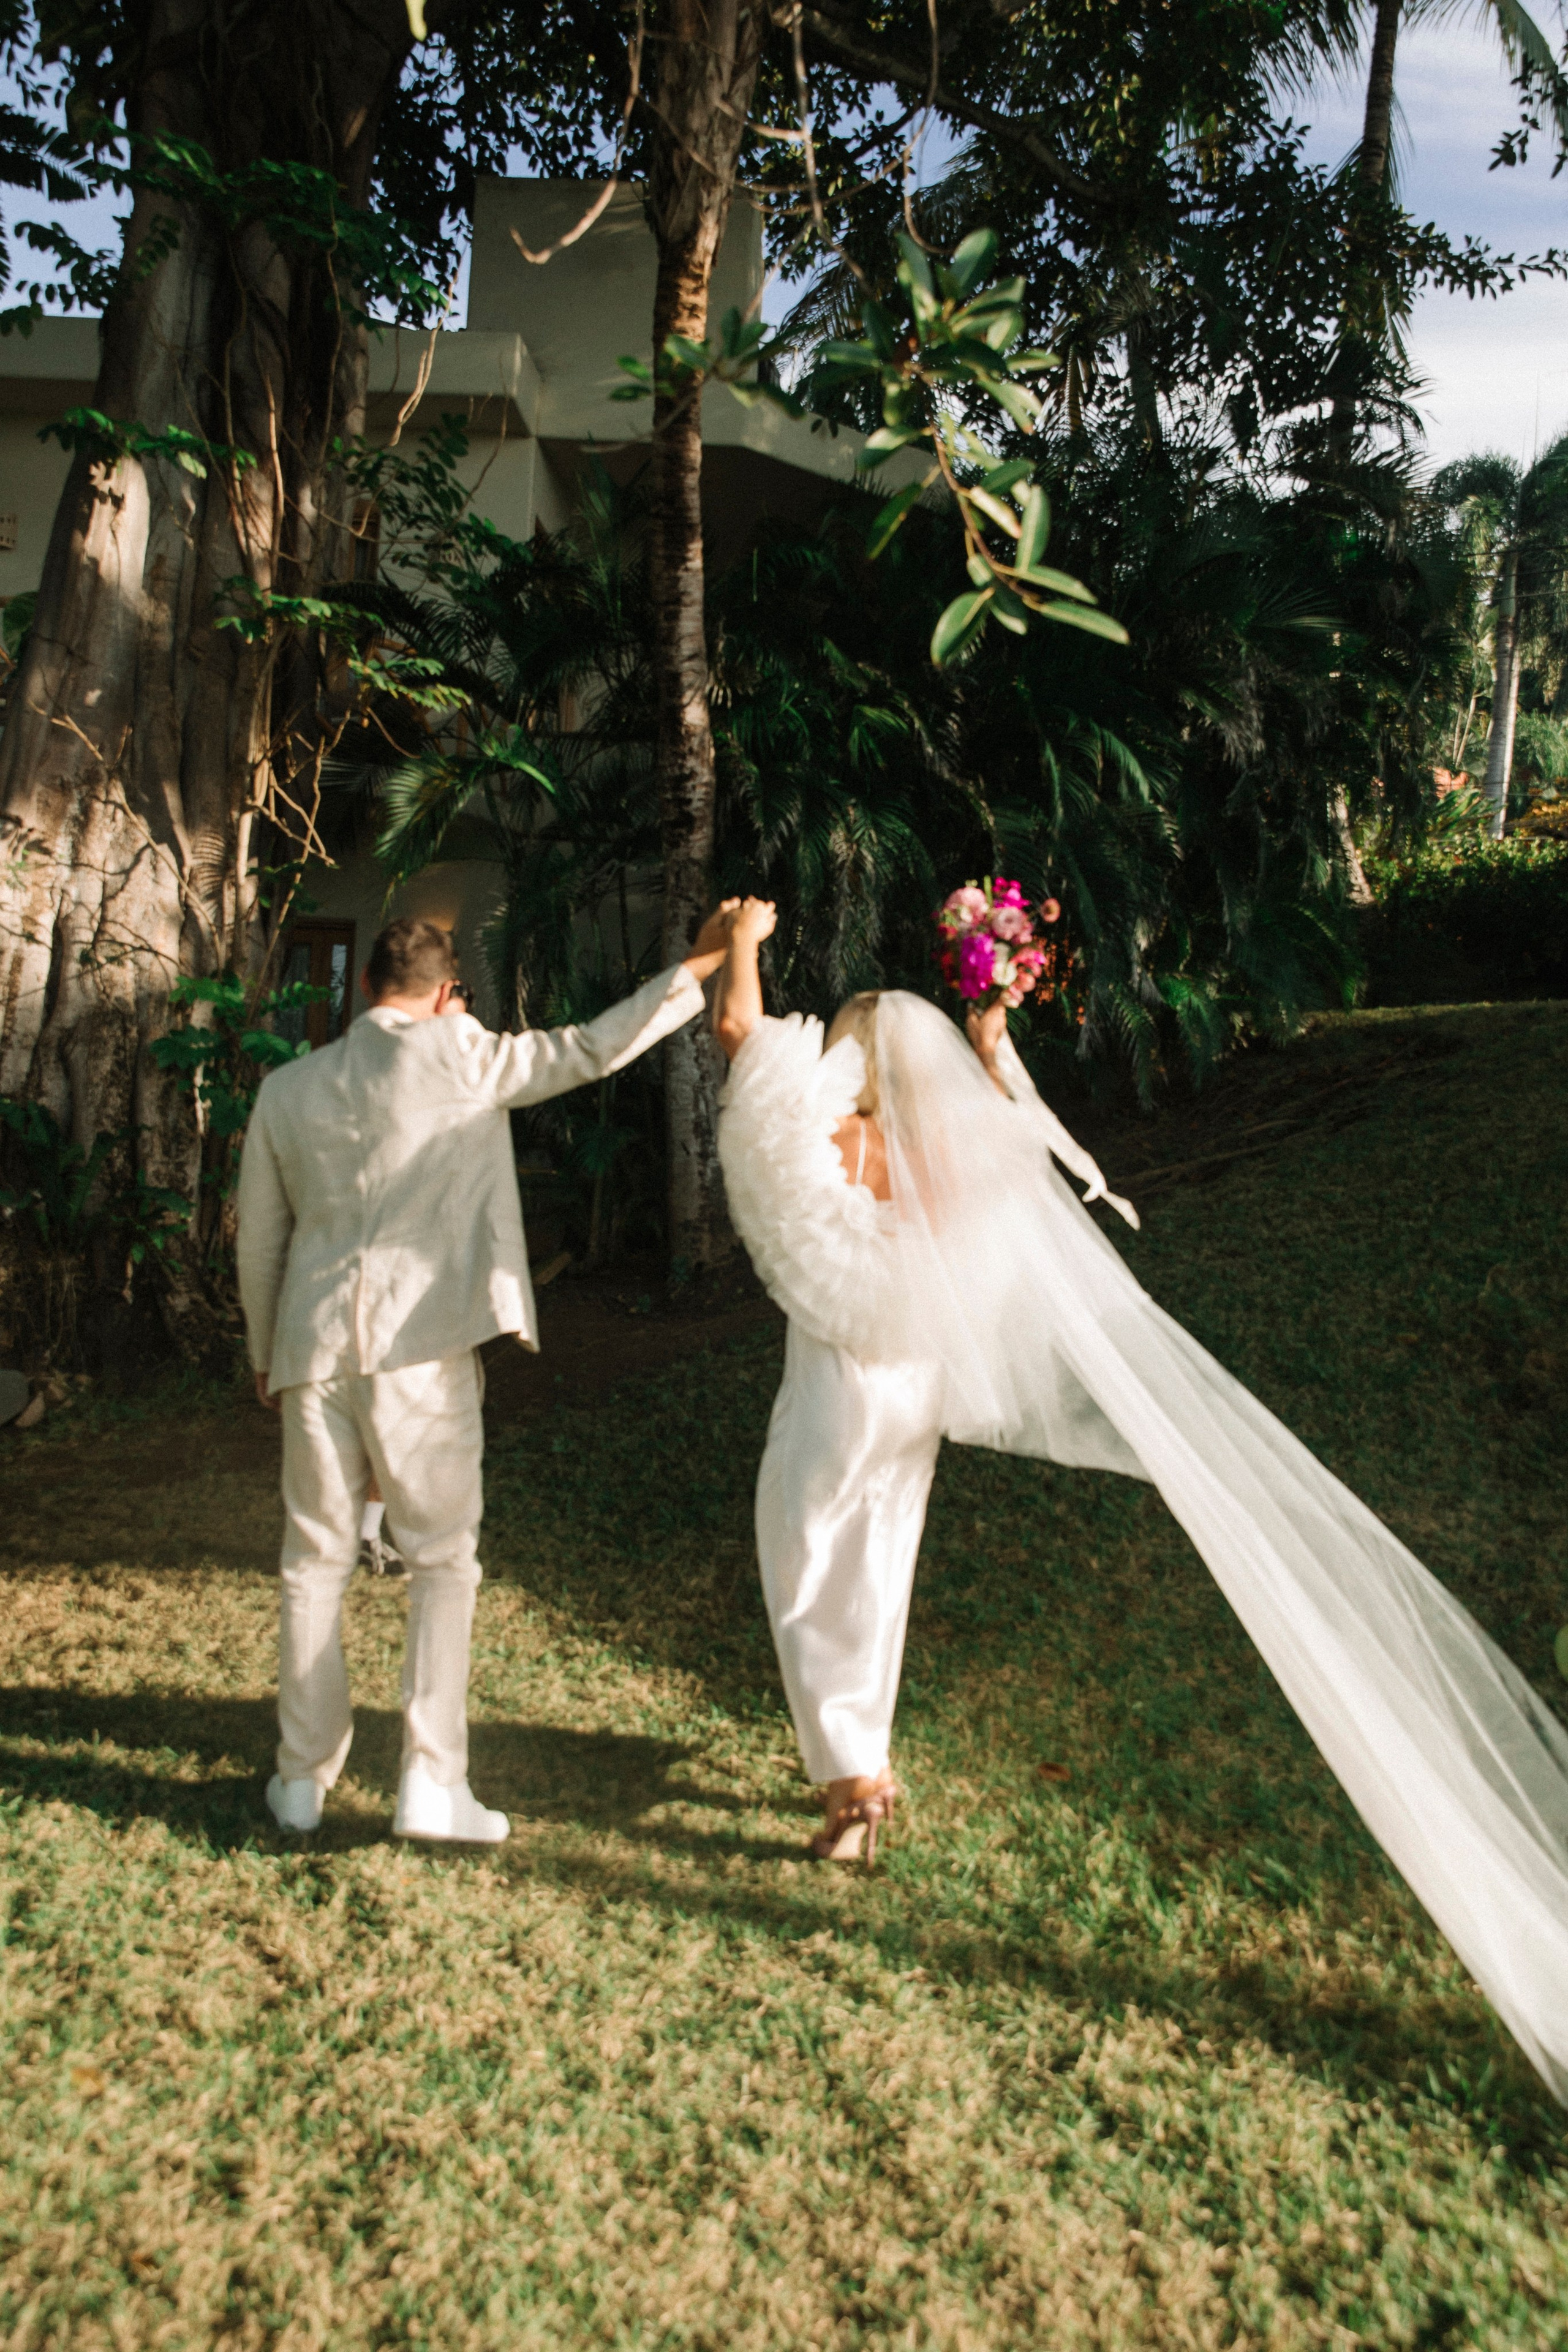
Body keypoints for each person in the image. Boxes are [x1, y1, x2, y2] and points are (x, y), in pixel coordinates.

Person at [712, 897, 1568, 2105]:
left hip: (840, 1392)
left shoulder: (835, 1143)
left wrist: (743, 941)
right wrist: (990, 1035)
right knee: (882, 1557)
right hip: (915, 1395)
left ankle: (852, 1785)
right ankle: (867, 1761)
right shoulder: (960, 1155)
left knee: (805, 1557)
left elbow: (742, 1040)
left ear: (858, 1062)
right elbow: (1010, 1151)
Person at [238, 908, 736, 1844]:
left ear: (366, 989)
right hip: (423, 1348)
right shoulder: (463, 1052)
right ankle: (431, 1787)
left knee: (312, 1565)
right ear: (442, 996)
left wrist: (268, 1353)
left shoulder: (288, 1088)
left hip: (312, 1351)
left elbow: (261, 1237)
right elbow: (591, 1047)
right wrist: (702, 963)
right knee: (441, 1564)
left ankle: (300, 1780)